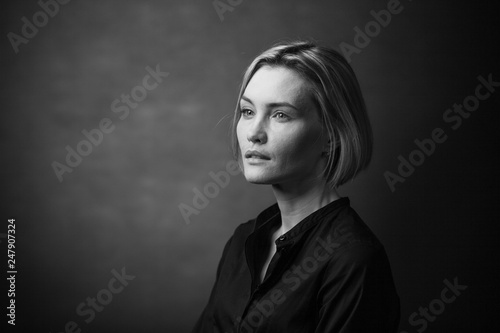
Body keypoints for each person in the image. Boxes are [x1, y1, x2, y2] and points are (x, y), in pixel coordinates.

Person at [192, 40, 400, 332]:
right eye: (248, 111)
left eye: (281, 115)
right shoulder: (242, 241)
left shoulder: (353, 260)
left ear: (332, 136)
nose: (253, 133)